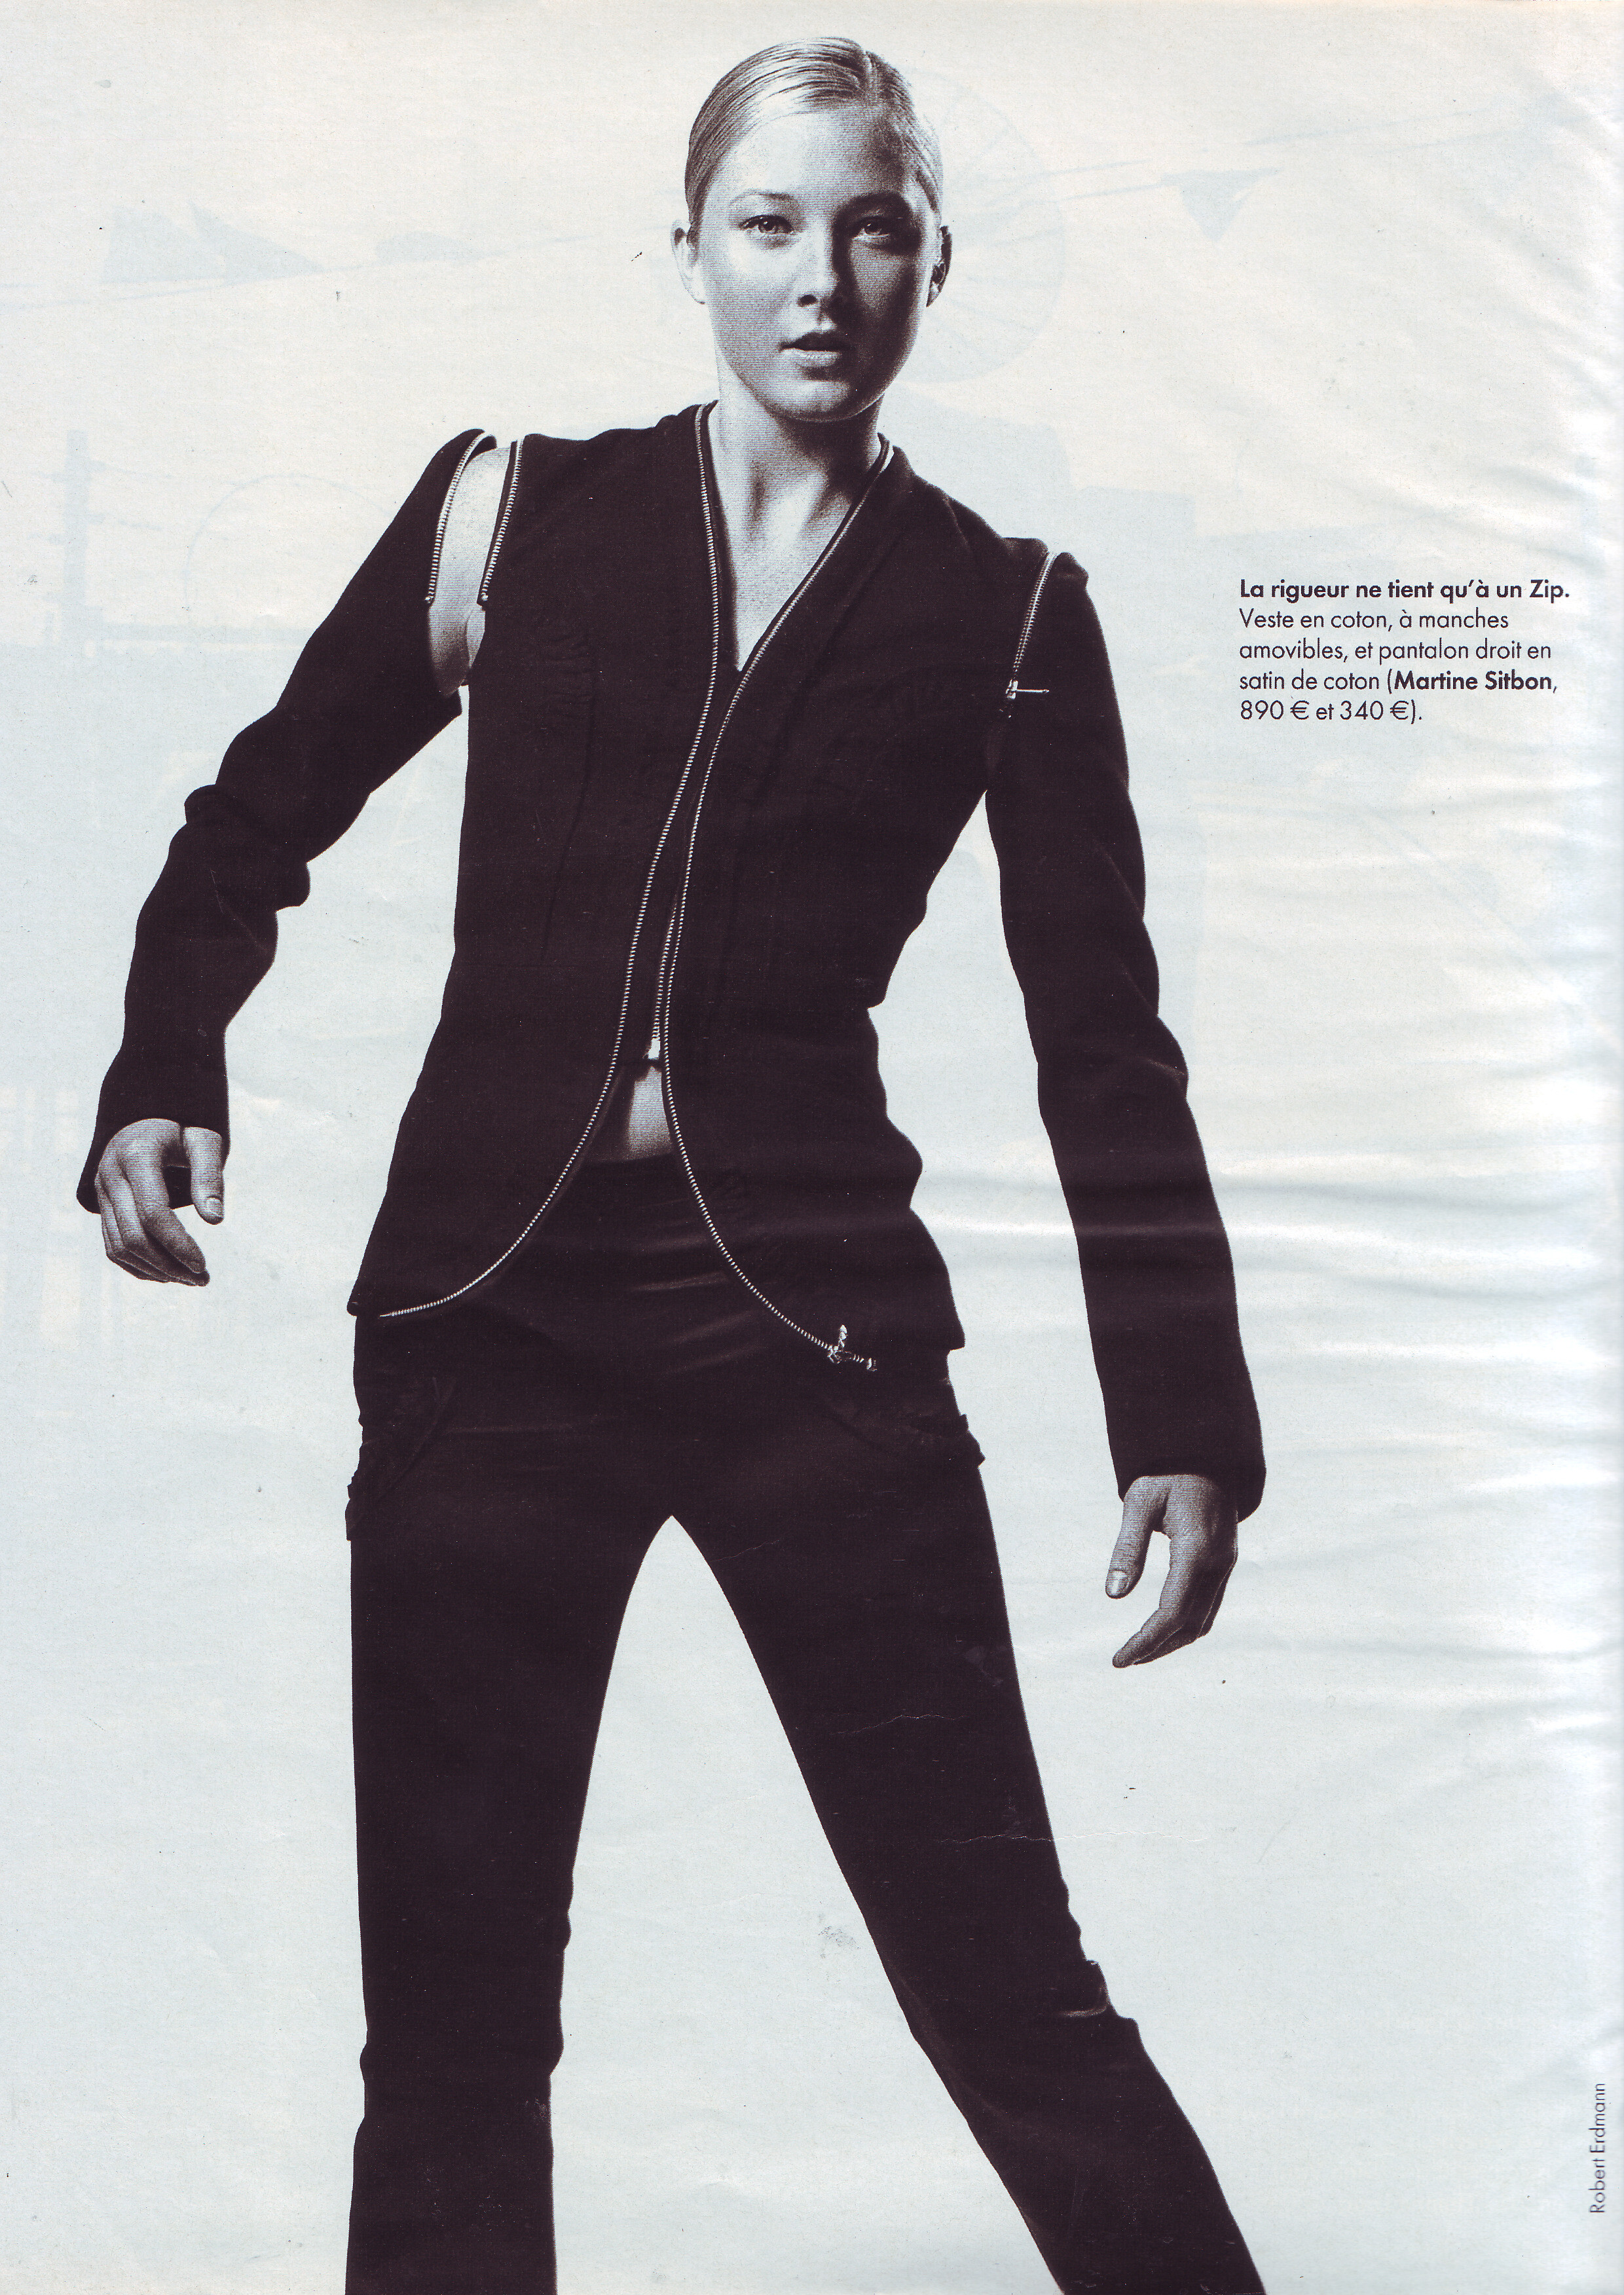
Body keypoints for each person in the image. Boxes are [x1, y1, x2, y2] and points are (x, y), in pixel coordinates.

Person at [79, 38, 1266, 2295]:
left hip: (811, 1340)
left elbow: (1105, 1049)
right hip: (488, 1321)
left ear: (935, 258)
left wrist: (1185, 1420)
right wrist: (165, 1059)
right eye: (770, 224)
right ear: (690, 253)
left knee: (1008, 1993)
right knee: (451, 2045)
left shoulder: (1012, 614)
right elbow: (257, 811)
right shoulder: (508, 516)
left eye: (875, 225)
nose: (822, 278)